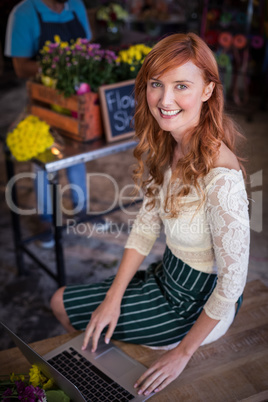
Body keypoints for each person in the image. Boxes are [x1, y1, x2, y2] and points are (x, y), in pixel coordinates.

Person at [51, 32, 250, 396]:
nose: (165, 99)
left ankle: (94, 384)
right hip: (167, 275)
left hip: (198, 301)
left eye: (182, 86)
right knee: (63, 302)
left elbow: (232, 283)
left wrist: (182, 353)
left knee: (66, 308)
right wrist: (113, 297)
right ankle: (95, 380)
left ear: (207, 90)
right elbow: (144, 228)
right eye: (156, 84)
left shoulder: (223, 178)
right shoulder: (169, 142)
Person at [4, 0, 92, 247]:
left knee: (80, 152)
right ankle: (46, 218)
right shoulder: (24, 12)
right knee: (46, 159)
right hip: (43, 98)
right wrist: (62, 66)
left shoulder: (76, 6)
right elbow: (21, 68)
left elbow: (87, 49)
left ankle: (81, 209)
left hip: (75, 96)